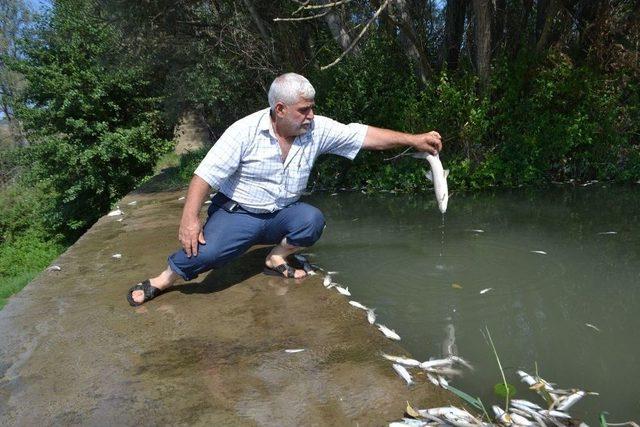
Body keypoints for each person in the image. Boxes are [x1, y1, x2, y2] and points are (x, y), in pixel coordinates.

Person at [127, 73, 442, 306]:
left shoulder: (315, 129)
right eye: (303, 110)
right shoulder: (244, 132)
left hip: (282, 214)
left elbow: (362, 136)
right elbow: (204, 175)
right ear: (280, 109)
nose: (311, 116)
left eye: (312, 108)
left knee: (312, 220)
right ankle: (163, 280)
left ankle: (276, 257)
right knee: (207, 252)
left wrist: (414, 139)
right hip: (239, 213)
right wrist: (190, 218)